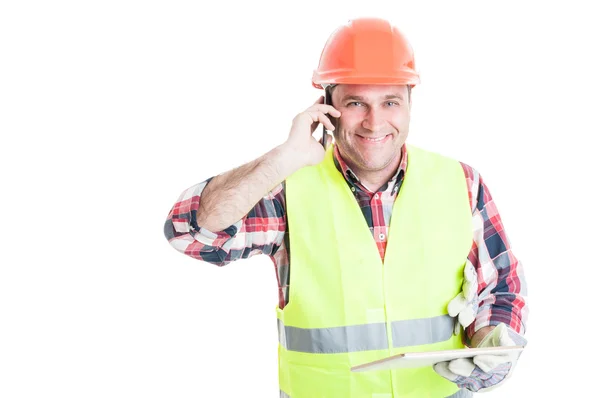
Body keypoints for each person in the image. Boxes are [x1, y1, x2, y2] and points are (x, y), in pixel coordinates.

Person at [164, 17, 528, 397]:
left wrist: (491, 343)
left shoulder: (462, 183)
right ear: (326, 107)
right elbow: (191, 232)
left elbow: (499, 287)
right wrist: (282, 159)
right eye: (356, 103)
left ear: (409, 103)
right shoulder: (287, 191)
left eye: (390, 102)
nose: (374, 123)